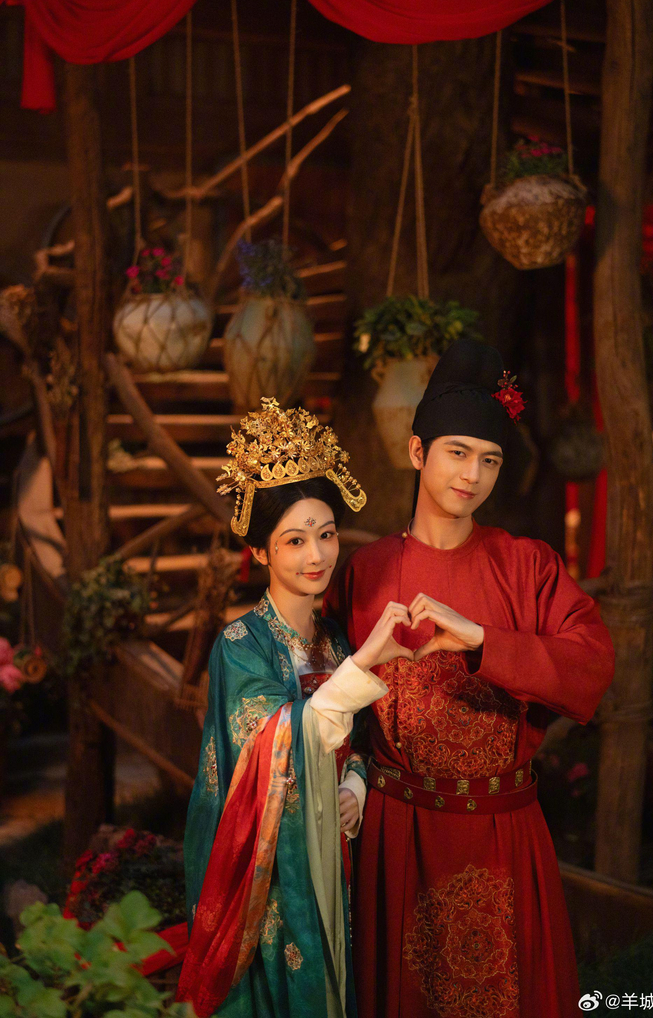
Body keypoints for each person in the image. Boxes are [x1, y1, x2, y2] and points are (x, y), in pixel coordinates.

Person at [324, 340, 615, 1018]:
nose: (473, 474)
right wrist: (351, 780)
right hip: (396, 832)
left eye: (490, 460)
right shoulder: (366, 572)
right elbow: (327, 699)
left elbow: (593, 663)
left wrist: (485, 639)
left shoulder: (527, 565)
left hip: (502, 832)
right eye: (457, 452)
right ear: (417, 451)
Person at [177, 397, 410, 1018]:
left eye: (327, 535)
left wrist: (355, 787)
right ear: (260, 552)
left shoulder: (333, 640)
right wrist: (367, 663)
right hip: (271, 875)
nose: (317, 556)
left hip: (334, 856)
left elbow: (358, 740)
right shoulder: (240, 646)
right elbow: (270, 745)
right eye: (295, 541)